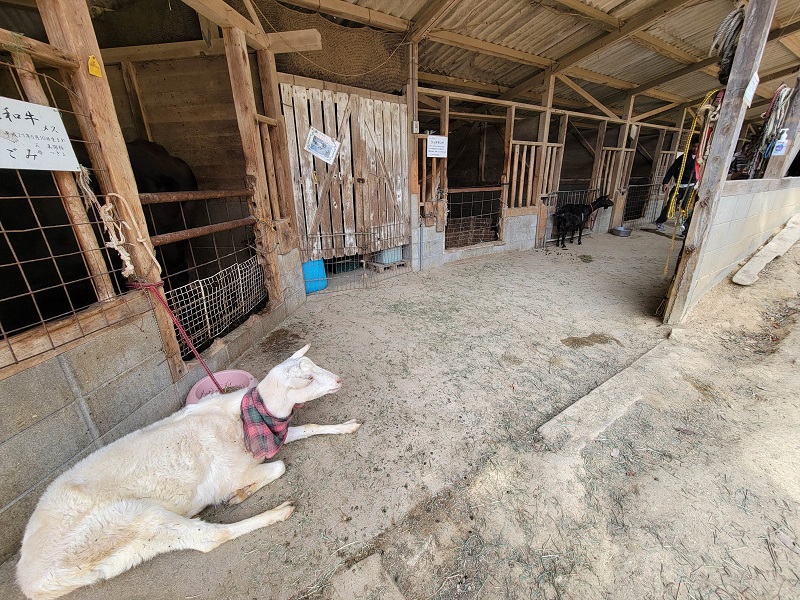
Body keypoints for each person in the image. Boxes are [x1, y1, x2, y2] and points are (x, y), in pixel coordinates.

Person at [655, 135, 700, 232]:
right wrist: (665, 182)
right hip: (679, 185)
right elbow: (672, 168)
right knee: (671, 204)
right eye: (694, 146)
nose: (695, 149)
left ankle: (685, 228)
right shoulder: (684, 157)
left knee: (686, 207)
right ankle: (660, 221)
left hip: (691, 186)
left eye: (697, 147)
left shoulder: (700, 160)